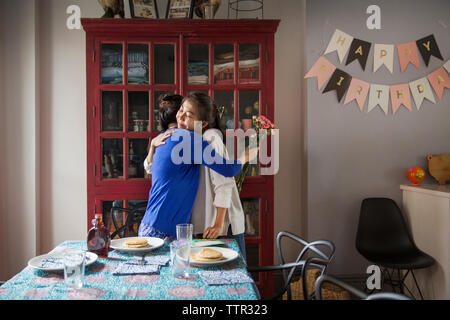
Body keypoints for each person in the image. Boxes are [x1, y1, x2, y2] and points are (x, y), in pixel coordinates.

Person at [144, 93, 247, 260]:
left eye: (189, 114)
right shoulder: (185, 138)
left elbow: (225, 182)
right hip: (193, 226)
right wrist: (153, 147)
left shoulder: (208, 138)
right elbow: (152, 168)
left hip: (216, 226)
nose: (181, 116)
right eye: (181, 111)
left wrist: (218, 224)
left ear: (203, 123)